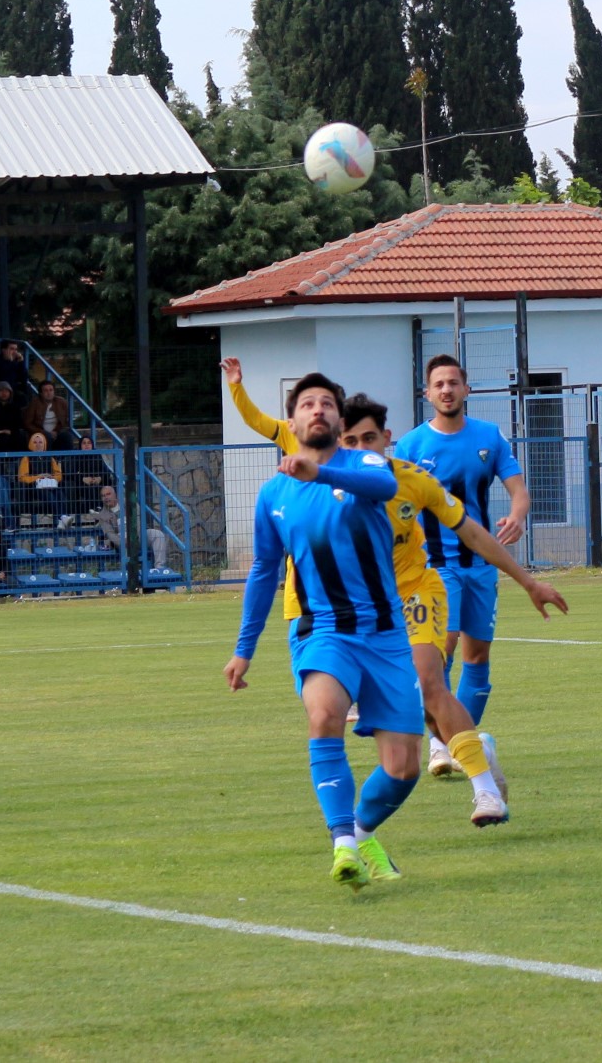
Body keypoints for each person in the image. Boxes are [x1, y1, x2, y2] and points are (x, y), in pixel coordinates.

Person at [223, 356, 568, 825]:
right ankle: (465, 747)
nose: (361, 447)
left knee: (430, 682)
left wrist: (528, 581)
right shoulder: (310, 482)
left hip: (415, 591)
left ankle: (485, 792)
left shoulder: (408, 480)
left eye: (370, 438)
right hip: (351, 615)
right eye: (352, 440)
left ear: (388, 440)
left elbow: (471, 532)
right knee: (414, 709)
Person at [222, 373, 421, 892]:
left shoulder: (366, 464)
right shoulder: (273, 495)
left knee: (403, 769)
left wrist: (319, 474)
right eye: (307, 404)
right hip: (322, 630)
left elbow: (384, 487)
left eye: (326, 404)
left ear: (339, 419)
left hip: (383, 634)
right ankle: (343, 846)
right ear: (291, 422)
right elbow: (265, 572)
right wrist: (244, 650)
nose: (317, 411)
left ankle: (360, 831)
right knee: (325, 713)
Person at [394, 354, 532, 776]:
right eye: (439, 384)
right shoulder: (411, 446)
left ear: (466, 390)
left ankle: (460, 741)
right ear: (427, 393)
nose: (447, 390)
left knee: (478, 657)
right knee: (442, 649)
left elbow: (519, 489)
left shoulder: (489, 436)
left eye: (454, 383)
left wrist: (518, 515)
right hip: (434, 566)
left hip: (482, 565)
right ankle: (440, 744)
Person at [88, 485, 167, 569]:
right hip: (121, 541)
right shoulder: (102, 515)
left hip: (138, 535)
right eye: (103, 496)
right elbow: (110, 534)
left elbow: (138, 519)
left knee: (158, 534)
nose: (106, 497)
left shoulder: (129, 502)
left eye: (108, 494)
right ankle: (128, 575)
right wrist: (123, 541)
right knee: (122, 546)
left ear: (115, 495)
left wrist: (132, 536)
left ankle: (159, 568)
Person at [17, 432, 68, 528]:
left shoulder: (50, 457)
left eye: (40, 442)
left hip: (50, 484)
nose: (38, 445)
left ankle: (62, 518)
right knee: (50, 497)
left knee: (60, 494)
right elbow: (22, 477)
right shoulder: (26, 458)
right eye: (35, 442)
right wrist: (38, 476)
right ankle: (62, 519)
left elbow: (59, 474)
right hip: (35, 488)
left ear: (44, 443)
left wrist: (53, 477)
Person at [65, 435, 113, 518]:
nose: (87, 445)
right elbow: (70, 474)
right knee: (90, 488)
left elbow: (106, 471)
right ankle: (96, 510)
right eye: (84, 443)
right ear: (80, 445)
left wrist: (99, 478)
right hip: (81, 485)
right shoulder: (75, 456)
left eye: (89, 443)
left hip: (97, 484)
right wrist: (82, 479)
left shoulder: (96, 455)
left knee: (108, 483)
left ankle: (104, 509)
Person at [23, 380, 73, 450]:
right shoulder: (34, 403)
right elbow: (27, 424)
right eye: (46, 391)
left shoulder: (62, 402)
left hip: (57, 433)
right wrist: (43, 432)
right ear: (41, 393)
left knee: (67, 436)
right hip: (40, 433)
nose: (49, 393)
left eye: (51, 390)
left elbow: (65, 422)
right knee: (47, 436)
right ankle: (48, 460)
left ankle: (67, 460)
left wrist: (56, 432)